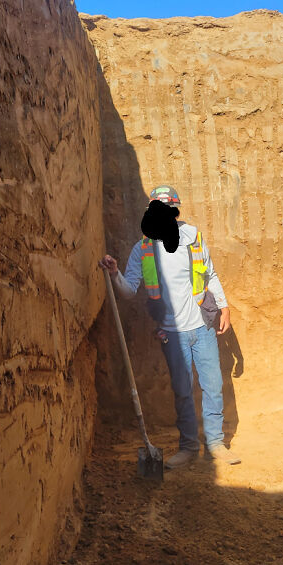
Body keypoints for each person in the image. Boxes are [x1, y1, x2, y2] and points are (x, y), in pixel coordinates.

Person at [100, 185, 240, 469]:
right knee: (183, 389)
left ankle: (215, 443)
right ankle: (188, 446)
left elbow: (210, 274)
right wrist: (115, 274)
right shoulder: (143, 249)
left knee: (213, 384)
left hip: (202, 327)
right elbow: (129, 292)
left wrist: (224, 306)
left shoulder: (193, 238)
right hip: (172, 333)